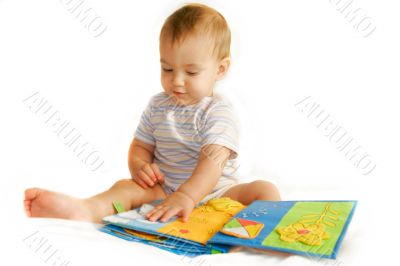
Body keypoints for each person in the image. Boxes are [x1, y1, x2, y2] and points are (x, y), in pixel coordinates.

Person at [24, 3, 280, 224]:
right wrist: (140, 167)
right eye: (167, 69)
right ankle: (86, 209)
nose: (177, 81)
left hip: (216, 195)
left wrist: (188, 196)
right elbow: (140, 146)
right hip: (164, 194)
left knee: (264, 190)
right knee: (124, 187)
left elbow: (211, 164)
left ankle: (255, 229)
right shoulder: (158, 105)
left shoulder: (218, 111)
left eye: (191, 73)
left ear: (220, 69)